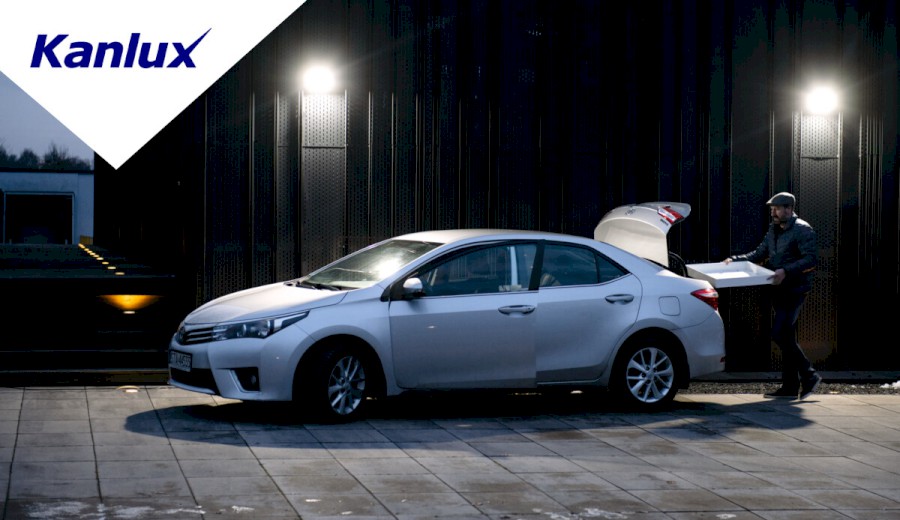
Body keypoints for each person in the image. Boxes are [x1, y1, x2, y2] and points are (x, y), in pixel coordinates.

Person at [723, 191, 821, 400]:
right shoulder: (773, 229)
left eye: (777, 209)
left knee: (779, 333)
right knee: (787, 336)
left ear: (789, 209)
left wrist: (786, 270)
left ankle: (809, 375)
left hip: (796, 289)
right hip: (778, 289)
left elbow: (811, 260)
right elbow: (759, 253)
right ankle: (790, 387)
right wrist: (735, 259)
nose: (773, 213)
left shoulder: (803, 229)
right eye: (772, 209)